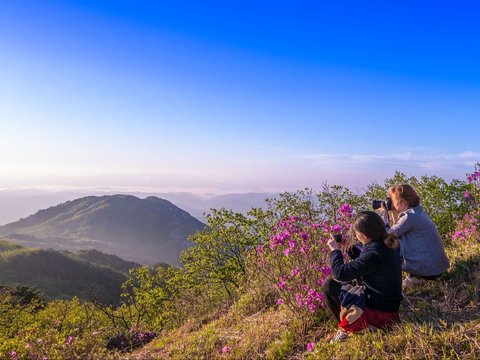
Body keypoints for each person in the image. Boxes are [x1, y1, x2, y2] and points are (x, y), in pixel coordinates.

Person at [322, 211, 403, 342]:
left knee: (329, 287)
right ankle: (352, 325)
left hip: (380, 315)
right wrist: (350, 248)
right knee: (349, 284)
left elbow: (340, 273)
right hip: (390, 308)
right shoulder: (388, 244)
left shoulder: (374, 253)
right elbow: (367, 263)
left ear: (364, 235)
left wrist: (335, 251)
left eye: (356, 234)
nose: (355, 236)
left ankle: (348, 328)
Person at [381, 184, 450, 288]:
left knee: (385, 249)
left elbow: (387, 236)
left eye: (393, 200)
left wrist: (384, 218)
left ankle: (418, 279)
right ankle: (417, 277)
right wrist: (394, 212)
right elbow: (397, 229)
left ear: (403, 202)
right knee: (396, 243)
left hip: (430, 272)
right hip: (438, 267)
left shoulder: (409, 217)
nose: (391, 203)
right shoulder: (418, 211)